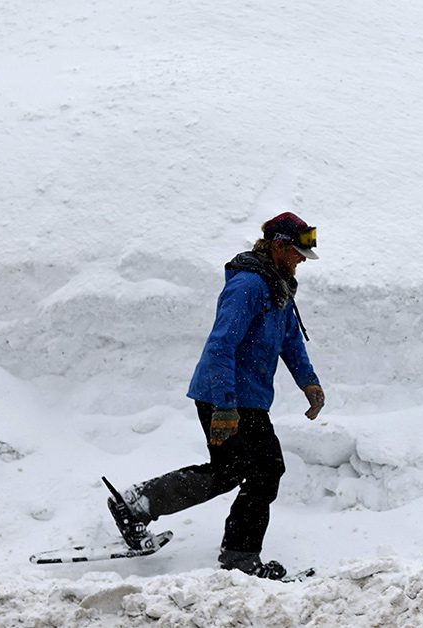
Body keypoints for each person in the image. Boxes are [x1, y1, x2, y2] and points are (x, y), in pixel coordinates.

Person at [105, 212, 327, 579]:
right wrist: (225, 406)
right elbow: (221, 346)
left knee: (230, 471)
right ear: (278, 246)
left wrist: (310, 383)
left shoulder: (278, 285)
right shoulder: (249, 286)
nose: (303, 260)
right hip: (225, 396)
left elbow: (290, 341)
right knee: (265, 470)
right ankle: (240, 557)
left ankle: (137, 504)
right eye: (298, 253)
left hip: (246, 398)